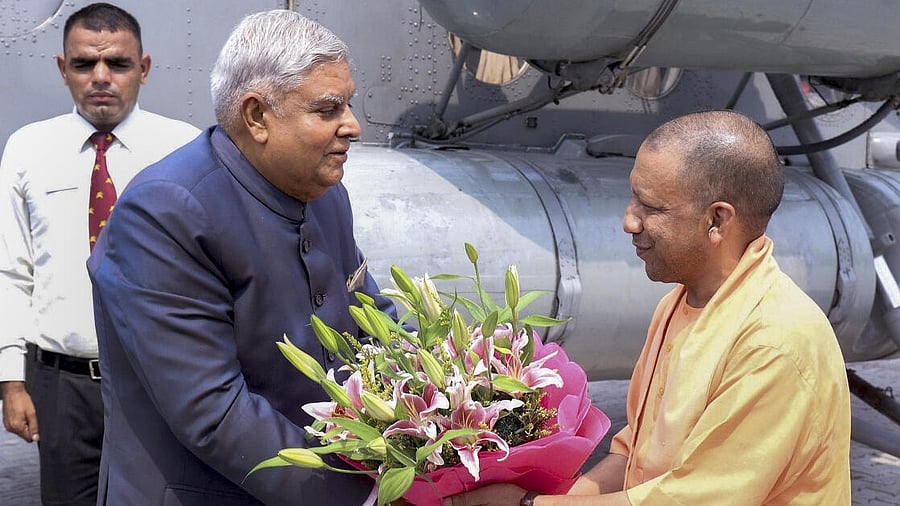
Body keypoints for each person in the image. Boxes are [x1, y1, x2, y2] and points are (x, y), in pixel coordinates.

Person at [445, 110, 852, 505]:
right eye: (633, 198)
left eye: (651, 207)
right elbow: (632, 457)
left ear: (717, 220)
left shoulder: (775, 341)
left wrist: (529, 505)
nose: (629, 221)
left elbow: (694, 499)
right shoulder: (678, 304)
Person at [87, 9, 397, 505]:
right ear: (256, 117)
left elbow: (371, 318)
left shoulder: (325, 194)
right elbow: (214, 413)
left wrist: (436, 420)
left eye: (349, 105)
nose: (353, 126)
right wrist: (370, 494)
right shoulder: (166, 212)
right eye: (327, 110)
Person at [0, 3, 199, 505]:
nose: (101, 77)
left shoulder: (185, 149)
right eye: (85, 64)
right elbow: (10, 272)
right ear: (63, 68)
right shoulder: (27, 149)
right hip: (63, 386)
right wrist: (11, 381)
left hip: (159, 380)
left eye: (119, 64)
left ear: (145, 69)